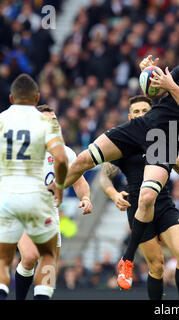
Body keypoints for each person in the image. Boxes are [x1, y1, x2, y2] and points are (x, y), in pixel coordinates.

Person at [61, 46, 179, 282]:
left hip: (165, 143)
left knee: (146, 198)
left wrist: (171, 86)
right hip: (144, 125)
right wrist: (149, 75)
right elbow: (155, 93)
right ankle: (49, 193)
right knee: (83, 159)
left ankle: (127, 259)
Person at [99, 95, 179, 299]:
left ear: (153, 114)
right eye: (137, 112)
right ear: (131, 117)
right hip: (138, 209)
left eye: (145, 111)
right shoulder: (122, 142)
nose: (141, 115)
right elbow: (104, 177)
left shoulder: (162, 140)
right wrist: (113, 195)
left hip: (164, 204)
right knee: (156, 266)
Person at [14, 104, 93, 300]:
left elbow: (80, 182)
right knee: (31, 256)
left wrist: (85, 198)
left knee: (47, 271)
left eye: (54, 121)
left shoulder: (66, 153)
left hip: (49, 215)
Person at [0, 74, 68, 300]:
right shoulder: (44, 124)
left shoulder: (2, 120)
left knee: (5, 259)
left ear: (11, 98)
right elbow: (60, 159)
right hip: (34, 198)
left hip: (7, 198)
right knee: (48, 255)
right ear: (37, 97)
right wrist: (58, 186)